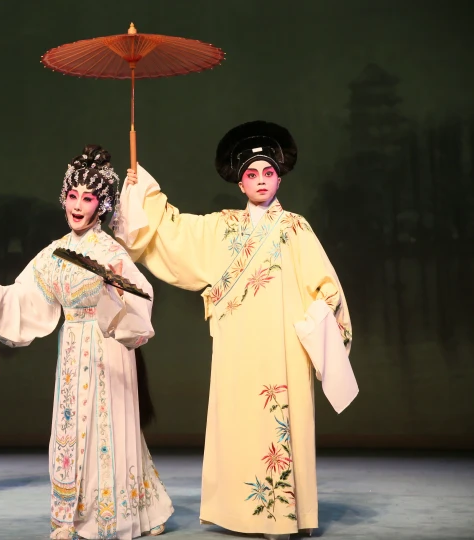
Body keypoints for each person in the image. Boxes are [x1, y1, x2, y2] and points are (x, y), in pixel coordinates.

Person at [114, 121, 357, 540]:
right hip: (237, 346)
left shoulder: (295, 228)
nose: (260, 181)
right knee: (239, 423)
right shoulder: (221, 227)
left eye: (267, 173)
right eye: (251, 174)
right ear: (240, 183)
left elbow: (326, 283)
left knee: (276, 424)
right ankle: (240, 513)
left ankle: (282, 516)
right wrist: (140, 190)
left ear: (279, 177)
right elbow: (174, 232)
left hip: (282, 347)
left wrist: (323, 307)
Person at [0, 146, 173, 539]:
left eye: (88, 197)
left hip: (109, 346)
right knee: (70, 429)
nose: (78, 205)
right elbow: (18, 299)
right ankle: (70, 517)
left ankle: (122, 513)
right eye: (73, 195)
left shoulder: (110, 251)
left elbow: (140, 298)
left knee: (110, 429)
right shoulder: (53, 255)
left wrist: (115, 292)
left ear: (101, 206)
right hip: (73, 349)